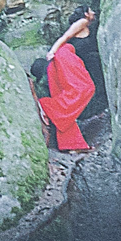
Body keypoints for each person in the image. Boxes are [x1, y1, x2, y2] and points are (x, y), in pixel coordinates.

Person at [33, 8, 101, 154]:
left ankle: (73, 145)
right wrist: (52, 52)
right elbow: (65, 37)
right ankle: (46, 105)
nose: (94, 12)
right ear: (85, 14)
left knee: (68, 95)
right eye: (91, 10)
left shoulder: (88, 26)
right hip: (65, 56)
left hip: (68, 58)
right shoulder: (82, 22)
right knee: (85, 88)